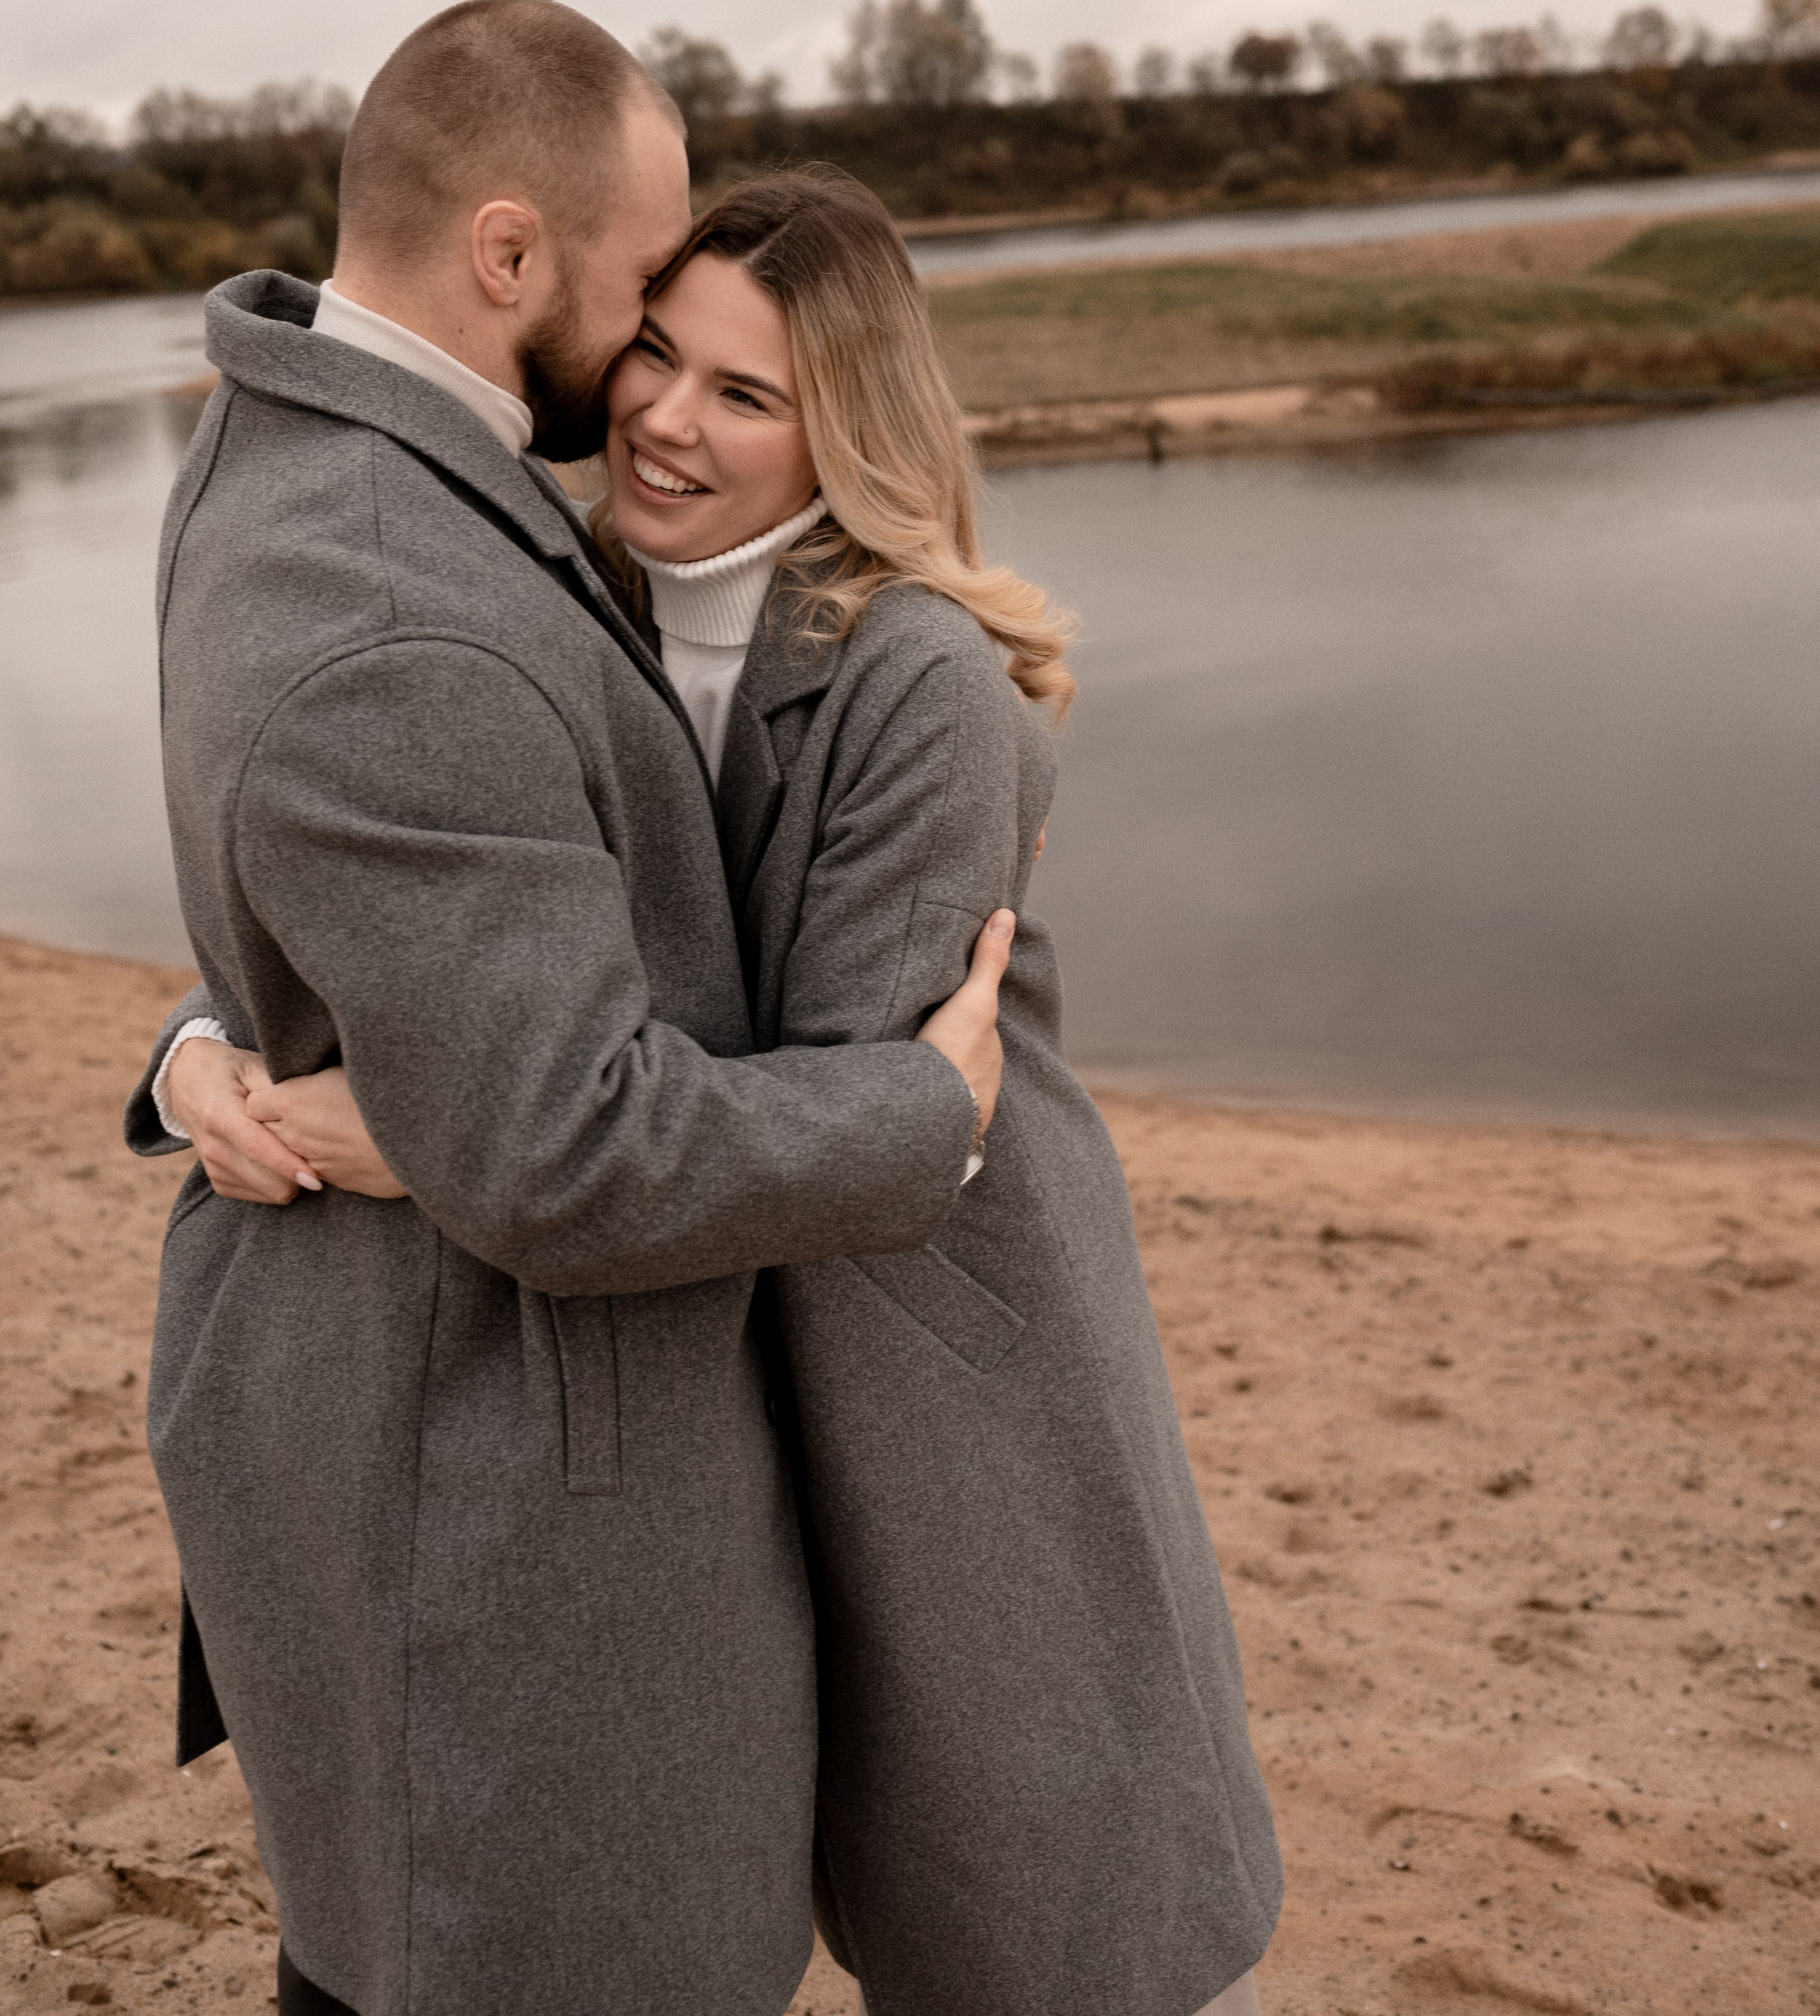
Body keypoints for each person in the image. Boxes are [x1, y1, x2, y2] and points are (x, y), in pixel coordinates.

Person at [164, 167, 1282, 2015]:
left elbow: (845, 1085)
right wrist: (208, 1039)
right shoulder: (568, 581)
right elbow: (434, 887)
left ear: (848, 433)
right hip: (711, 1335)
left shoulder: (921, 687)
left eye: (746, 393)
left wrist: (452, 1125)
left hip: (932, 1343)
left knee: (1036, 1904)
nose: (668, 420)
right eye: (657, 354)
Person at [125, 4, 1015, 2016]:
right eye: (639, 296)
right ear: (509, 253)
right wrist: (922, 1114)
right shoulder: (393, 594)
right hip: (493, 1496)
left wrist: (209, 1053)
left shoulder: (308, 451)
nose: (643, 377)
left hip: (401, 1425)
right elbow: (568, 1150)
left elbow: (354, 885)